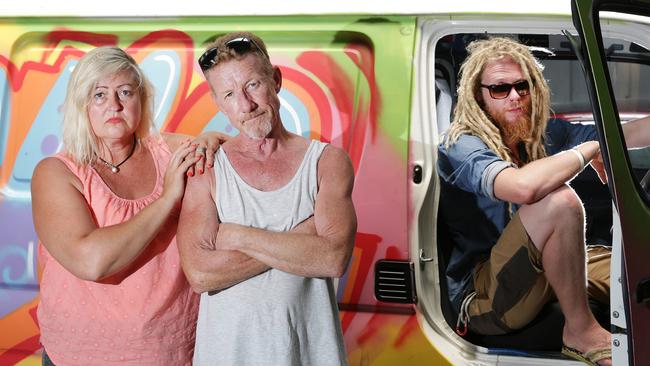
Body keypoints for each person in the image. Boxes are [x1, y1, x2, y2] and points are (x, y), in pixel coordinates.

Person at [438, 37, 650, 366]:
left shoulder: (543, 134)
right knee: (559, 203)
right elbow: (523, 188)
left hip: (536, 269)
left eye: (522, 86)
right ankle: (580, 331)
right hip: (483, 293)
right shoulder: (460, 145)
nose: (515, 96)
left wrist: (598, 144)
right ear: (477, 95)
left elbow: (622, 136)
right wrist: (587, 151)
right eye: (499, 89)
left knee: (640, 266)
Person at [31, 46, 226, 365]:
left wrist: (213, 139)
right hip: (79, 356)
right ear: (82, 105)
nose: (115, 105)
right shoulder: (56, 172)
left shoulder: (171, 152)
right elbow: (90, 261)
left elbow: (238, 158)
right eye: (99, 95)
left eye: (125, 92)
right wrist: (167, 200)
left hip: (172, 354)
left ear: (142, 100)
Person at [177, 32, 357, 365]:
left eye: (252, 85)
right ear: (218, 102)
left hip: (309, 354)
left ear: (275, 80)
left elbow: (332, 259)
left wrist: (236, 235)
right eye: (229, 94)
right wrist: (304, 238)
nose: (245, 105)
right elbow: (200, 274)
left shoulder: (326, 162)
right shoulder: (208, 167)